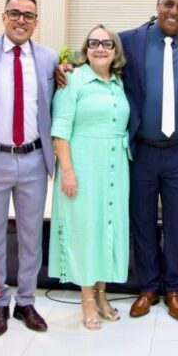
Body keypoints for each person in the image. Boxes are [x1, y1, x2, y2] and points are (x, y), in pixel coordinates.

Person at [57, 0, 178, 320]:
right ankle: (148, 287)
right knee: (141, 220)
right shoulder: (129, 40)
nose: (173, 11)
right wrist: (66, 66)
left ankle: (174, 288)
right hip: (141, 150)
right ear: (157, 5)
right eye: (168, 3)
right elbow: (97, 59)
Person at [0, 0, 58, 336]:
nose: (21, 20)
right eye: (14, 13)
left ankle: (27, 301)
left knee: (32, 235)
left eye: (28, 15)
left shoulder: (47, 58)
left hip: (33, 158)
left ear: (36, 22)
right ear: (3, 16)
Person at [49, 24, 130, 330]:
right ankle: (86, 300)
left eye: (107, 44)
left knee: (106, 229)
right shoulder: (73, 80)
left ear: (115, 51)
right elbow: (60, 129)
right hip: (83, 166)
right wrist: (67, 172)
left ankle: (102, 295)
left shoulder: (119, 82)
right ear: (85, 49)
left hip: (115, 167)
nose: (100, 48)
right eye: (93, 43)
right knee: (84, 231)